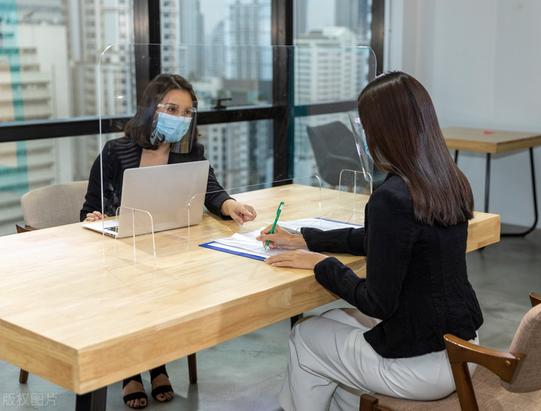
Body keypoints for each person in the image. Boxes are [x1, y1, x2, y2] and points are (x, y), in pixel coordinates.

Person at [257, 71, 483, 410]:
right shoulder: (449, 180)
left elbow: (377, 303)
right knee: (331, 321)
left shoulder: (392, 196)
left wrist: (321, 264)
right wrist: (306, 239)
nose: (362, 134)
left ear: (384, 131)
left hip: (420, 366)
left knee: (305, 336)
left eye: (364, 126)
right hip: (463, 348)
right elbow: (384, 239)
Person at [81, 73, 257, 409]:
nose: (180, 118)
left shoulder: (191, 152)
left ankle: (157, 362)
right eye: (172, 109)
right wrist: (96, 218)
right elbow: (91, 209)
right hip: (124, 253)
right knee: (136, 284)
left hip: (171, 246)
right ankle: (132, 370)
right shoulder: (115, 152)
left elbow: (211, 190)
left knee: (172, 284)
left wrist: (230, 205)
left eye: (187, 112)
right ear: (151, 109)